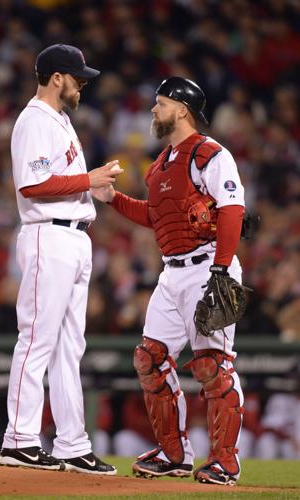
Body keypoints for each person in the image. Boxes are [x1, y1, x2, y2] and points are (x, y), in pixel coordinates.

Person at [92, 76, 246, 485]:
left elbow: (232, 210)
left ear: (182, 108)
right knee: (149, 360)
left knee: (213, 367)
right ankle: (174, 454)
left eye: (160, 103)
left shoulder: (210, 154)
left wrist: (221, 267)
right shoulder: (161, 162)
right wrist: (112, 199)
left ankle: (225, 462)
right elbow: (154, 217)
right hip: (172, 271)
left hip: (207, 267)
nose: (153, 111)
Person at [0, 43, 122, 474]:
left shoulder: (61, 121)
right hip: (47, 236)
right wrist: (85, 180)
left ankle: (72, 443)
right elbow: (32, 186)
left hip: (74, 237)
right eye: (78, 77)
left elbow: (62, 181)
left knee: (70, 348)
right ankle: (19, 439)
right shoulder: (35, 120)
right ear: (57, 78)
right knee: (37, 340)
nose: (83, 83)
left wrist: (93, 188)